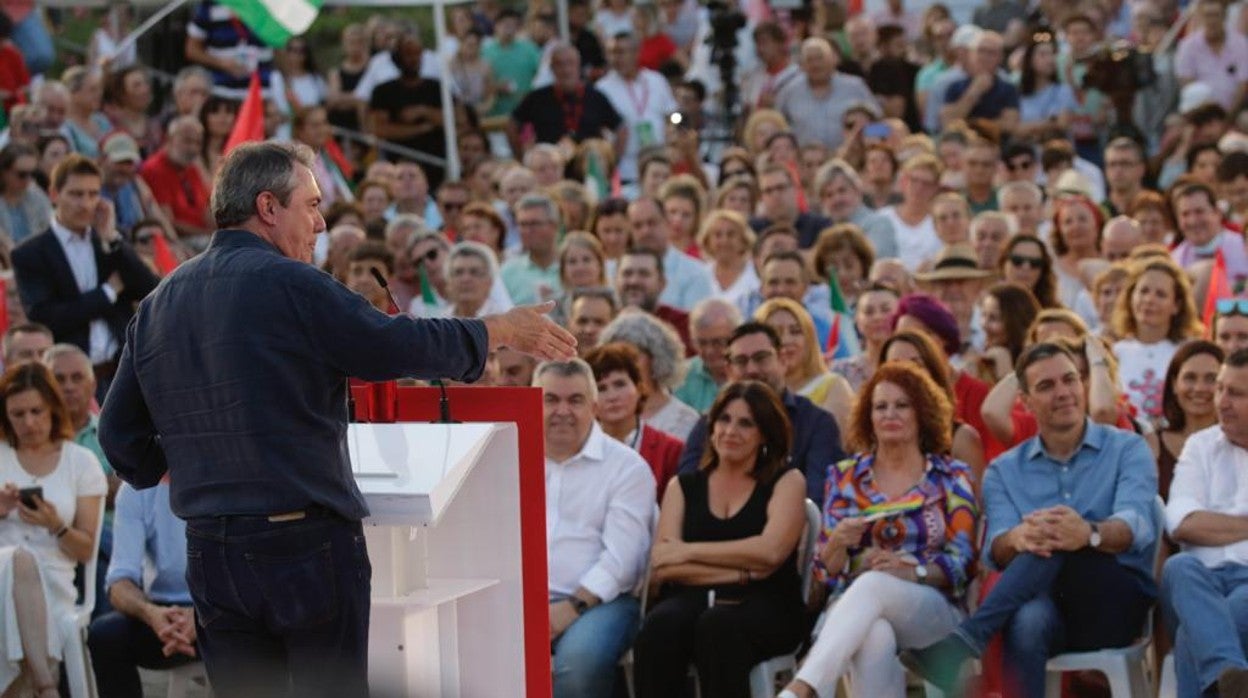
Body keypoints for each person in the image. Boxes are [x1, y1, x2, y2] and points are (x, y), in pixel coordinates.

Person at [96, 142, 576, 696]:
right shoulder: (292, 284)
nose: (321, 222)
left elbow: (117, 434)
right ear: (269, 206)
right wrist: (498, 330)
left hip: (210, 545)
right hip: (303, 546)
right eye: (313, 205)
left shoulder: (159, 301)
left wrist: (189, 470)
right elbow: (393, 344)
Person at [902, 342, 1159, 698]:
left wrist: (1089, 533)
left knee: (1054, 536)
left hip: (1113, 600)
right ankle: (965, 642)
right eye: (1046, 386)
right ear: (1024, 400)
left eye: (1070, 380)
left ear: (1083, 383)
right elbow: (997, 548)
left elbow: (1139, 526)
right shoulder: (1003, 471)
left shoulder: (1127, 448)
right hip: (1041, 605)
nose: (1063, 393)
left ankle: (966, 640)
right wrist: (1017, 538)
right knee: (1028, 619)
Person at [778, 362, 978, 698]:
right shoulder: (844, 477)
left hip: (933, 608)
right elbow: (824, 573)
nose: (890, 414)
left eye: (902, 405)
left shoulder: (950, 477)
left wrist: (911, 571)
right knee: (874, 636)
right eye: (880, 406)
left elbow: (963, 564)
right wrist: (838, 542)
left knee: (873, 584)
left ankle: (801, 689)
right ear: (868, 417)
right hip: (855, 610)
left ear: (922, 413)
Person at [632, 380, 807, 698]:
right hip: (694, 595)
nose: (731, 431)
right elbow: (665, 565)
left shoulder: (787, 481)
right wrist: (743, 571)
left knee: (718, 627)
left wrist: (688, 551)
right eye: (724, 420)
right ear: (711, 427)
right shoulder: (682, 487)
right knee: (660, 627)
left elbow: (769, 553)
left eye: (746, 423)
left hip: (768, 601)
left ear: (764, 433)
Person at [537, 358, 655, 698]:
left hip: (601, 603)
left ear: (594, 406)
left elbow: (622, 562)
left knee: (577, 669)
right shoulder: (509, 457)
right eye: (550, 400)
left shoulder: (627, 468)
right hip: (519, 601)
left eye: (574, 400)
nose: (562, 411)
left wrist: (570, 608)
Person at [12, 155, 159, 402]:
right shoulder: (30, 254)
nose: (85, 203)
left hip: (121, 371)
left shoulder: (110, 242)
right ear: (54, 194)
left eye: (93, 194)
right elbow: (46, 316)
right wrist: (108, 293)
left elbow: (150, 291)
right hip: (68, 380)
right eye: (76, 194)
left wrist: (112, 238)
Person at [0, 362, 107, 698]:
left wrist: (56, 525)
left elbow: (86, 550)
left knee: (25, 562)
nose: (28, 423)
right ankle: (46, 684)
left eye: (36, 411)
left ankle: (37, 683)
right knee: (18, 560)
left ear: (52, 409)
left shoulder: (80, 462)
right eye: (18, 414)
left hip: (55, 583)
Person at [678, 322, 844, 503]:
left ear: (782, 360)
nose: (752, 370)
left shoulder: (816, 423)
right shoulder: (711, 423)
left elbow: (817, 499)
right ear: (728, 370)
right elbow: (687, 490)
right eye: (741, 361)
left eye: (761, 358)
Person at [1162, 348, 1248, 698]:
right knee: (1179, 565)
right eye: (1220, 389)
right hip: (1197, 580)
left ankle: (1224, 679)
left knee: (1193, 632)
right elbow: (1181, 523)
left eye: (1237, 393)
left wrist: (1218, 524)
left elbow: (1199, 522)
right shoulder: (1199, 446)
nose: (1222, 402)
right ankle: (1230, 678)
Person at [87, 480, 197, 698]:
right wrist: (150, 613)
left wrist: (204, 615)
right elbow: (119, 582)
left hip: (223, 610)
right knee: (105, 634)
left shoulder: (227, 478)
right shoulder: (137, 488)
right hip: (163, 615)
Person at [585, 342, 682, 500]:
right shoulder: (577, 449)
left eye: (620, 384)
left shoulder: (671, 450)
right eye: (601, 388)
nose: (612, 396)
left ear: (639, 388)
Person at [1112, 258, 1203, 425]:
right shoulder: (1115, 352)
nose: (1149, 300)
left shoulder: (1189, 352)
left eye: (1160, 294)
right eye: (1143, 291)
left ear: (1176, 305)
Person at [755, 297, 854, 432]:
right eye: (776, 332)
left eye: (795, 331)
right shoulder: (752, 390)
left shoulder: (833, 386)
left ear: (809, 338)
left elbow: (831, 441)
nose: (786, 340)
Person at [508, 42, 625, 154]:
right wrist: (522, 158)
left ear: (579, 65)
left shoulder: (596, 96)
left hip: (588, 167)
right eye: (560, 64)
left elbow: (621, 128)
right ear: (552, 68)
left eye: (570, 63)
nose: (566, 70)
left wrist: (612, 161)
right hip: (551, 170)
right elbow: (512, 124)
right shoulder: (537, 98)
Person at [599, 310, 699, 441]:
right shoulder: (599, 417)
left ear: (656, 359)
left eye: (632, 357)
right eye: (616, 357)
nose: (623, 366)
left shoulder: (685, 422)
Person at [368, 33, 449, 187]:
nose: (414, 59)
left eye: (418, 53)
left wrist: (423, 111)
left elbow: (454, 120)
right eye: (408, 54)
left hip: (437, 165)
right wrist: (422, 128)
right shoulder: (383, 91)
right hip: (397, 166)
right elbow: (380, 129)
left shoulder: (436, 87)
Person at [775, 37, 878, 152]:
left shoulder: (855, 87)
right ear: (802, 65)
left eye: (820, 58)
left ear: (833, 59)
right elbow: (777, 129)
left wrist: (863, 134)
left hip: (850, 160)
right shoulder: (789, 92)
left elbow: (881, 127)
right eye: (810, 60)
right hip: (806, 163)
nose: (815, 65)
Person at [1156, 341, 1223, 501]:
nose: (1200, 388)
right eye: (1190, 378)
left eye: (1211, 379)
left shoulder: (1239, 445)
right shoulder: (1151, 445)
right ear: (1174, 384)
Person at [139, 117, 214, 248]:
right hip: (178, 242)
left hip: (202, 237)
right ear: (169, 139)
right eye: (187, 141)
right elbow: (169, 223)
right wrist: (211, 234)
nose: (193, 148)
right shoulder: (154, 169)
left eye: (198, 143)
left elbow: (207, 211)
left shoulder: (191, 168)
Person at [814, 159, 899, 261]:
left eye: (842, 191)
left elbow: (875, 266)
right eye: (829, 195)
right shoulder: (824, 233)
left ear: (857, 190)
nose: (837, 199)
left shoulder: (879, 224)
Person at [674, 297, 740, 414]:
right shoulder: (682, 375)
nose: (709, 350)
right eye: (702, 343)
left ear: (737, 337)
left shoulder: (750, 371)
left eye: (718, 342)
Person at [831, 283, 900, 393]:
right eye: (869, 312)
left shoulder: (914, 365)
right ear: (857, 320)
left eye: (885, 310)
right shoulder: (840, 371)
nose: (877, 317)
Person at [0, 143, 52, 246]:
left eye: (33, 173)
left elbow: (49, 233)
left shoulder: (37, 197)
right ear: (4, 172)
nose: (28, 180)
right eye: (22, 174)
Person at [999, 234, 1061, 310]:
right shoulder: (986, 304)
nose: (1026, 267)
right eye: (1018, 260)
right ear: (1003, 263)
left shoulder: (1055, 313)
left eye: (1035, 263)